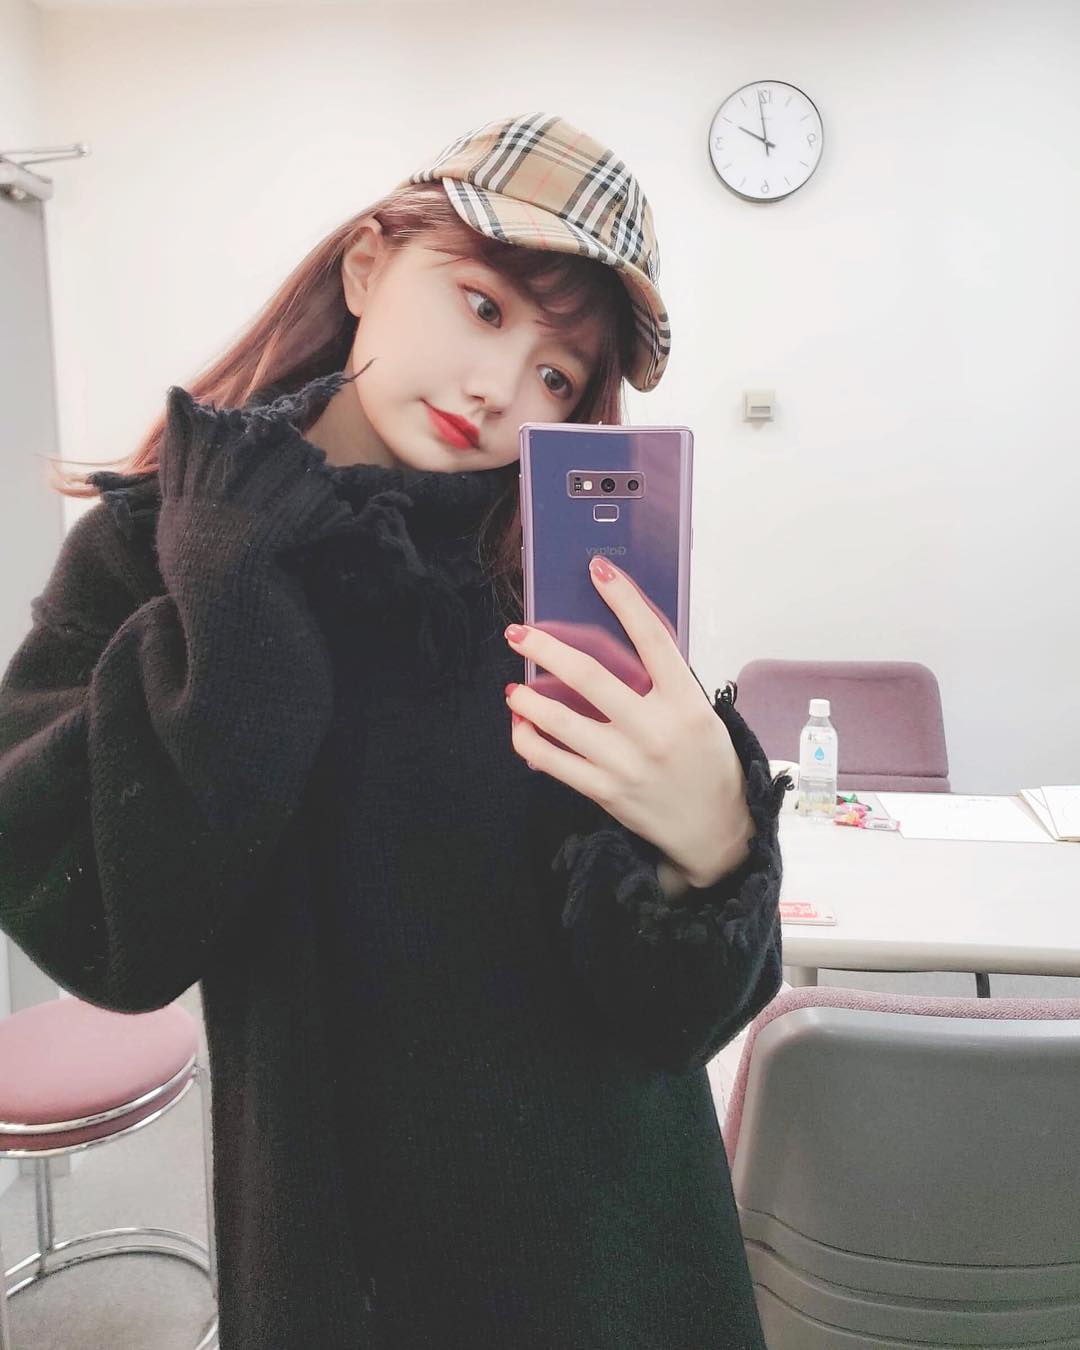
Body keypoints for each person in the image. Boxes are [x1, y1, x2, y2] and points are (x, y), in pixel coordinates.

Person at [0, 112, 789, 1348]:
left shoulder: (550, 582)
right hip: (341, 1263)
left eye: (558, 375)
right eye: (482, 305)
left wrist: (717, 851)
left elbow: (672, 1019)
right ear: (369, 263)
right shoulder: (159, 547)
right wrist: (233, 586)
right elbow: (103, 931)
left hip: (618, 1245)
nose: (499, 388)